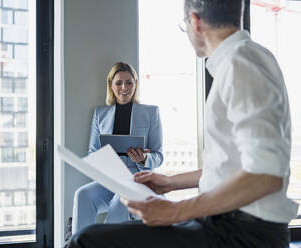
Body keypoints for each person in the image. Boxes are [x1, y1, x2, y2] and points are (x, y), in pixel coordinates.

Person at [68, 1, 299, 247]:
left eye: (185, 25)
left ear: (195, 21)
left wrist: (175, 211)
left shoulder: (241, 62)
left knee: (87, 241)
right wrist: (171, 182)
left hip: (240, 233)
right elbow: (232, 169)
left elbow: (266, 175)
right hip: (226, 224)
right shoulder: (240, 60)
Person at [71, 62, 163, 235]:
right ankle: (79, 244)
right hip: (110, 178)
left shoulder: (151, 113)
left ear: (136, 84)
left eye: (129, 82)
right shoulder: (100, 114)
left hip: (137, 180)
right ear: (111, 85)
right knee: (81, 195)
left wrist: (144, 159)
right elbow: (92, 151)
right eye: (119, 82)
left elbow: (159, 155)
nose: (124, 87)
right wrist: (102, 161)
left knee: (119, 203)